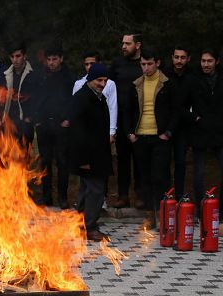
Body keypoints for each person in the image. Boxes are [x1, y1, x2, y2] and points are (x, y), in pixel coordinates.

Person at [123, 47, 178, 227]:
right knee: (144, 177)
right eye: (143, 64)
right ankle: (149, 214)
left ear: (158, 63)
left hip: (159, 137)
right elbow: (128, 111)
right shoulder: (136, 84)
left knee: (161, 176)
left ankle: (162, 212)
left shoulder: (167, 84)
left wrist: (167, 133)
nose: (145, 68)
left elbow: (175, 112)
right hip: (140, 137)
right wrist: (130, 133)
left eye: (149, 64)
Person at [186, 48, 223, 220]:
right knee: (198, 173)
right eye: (203, 61)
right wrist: (196, 118)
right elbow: (184, 104)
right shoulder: (193, 79)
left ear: (217, 62)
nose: (206, 64)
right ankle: (200, 210)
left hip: (221, 131)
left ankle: (222, 210)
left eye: (209, 61)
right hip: (200, 131)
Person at [70, 63, 113, 242]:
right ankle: (90, 227)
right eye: (99, 80)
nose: (102, 84)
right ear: (90, 79)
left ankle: (80, 225)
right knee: (95, 190)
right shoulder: (82, 99)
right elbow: (77, 132)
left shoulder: (99, 97)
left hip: (99, 153)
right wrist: (82, 158)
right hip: (88, 156)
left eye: (105, 80)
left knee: (87, 189)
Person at [34, 45, 74, 209]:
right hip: (43, 125)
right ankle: (46, 196)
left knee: (62, 162)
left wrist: (68, 119)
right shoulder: (41, 76)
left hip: (62, 125)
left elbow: (74, 100)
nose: (51, 63)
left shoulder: (69, 77)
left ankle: (63, 198)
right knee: (45, 162)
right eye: (49, 59)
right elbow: (34, 98)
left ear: (61, 59)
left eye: (54, 59)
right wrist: (37, 119)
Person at [110, 33, 144, 209]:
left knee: (139, 158)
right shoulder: (117, 64)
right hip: (121, 117)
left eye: (127, 43)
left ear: (137, 45)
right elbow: (108, 88)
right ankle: (123, 195)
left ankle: (140, 194)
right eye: (122, 43)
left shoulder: (144, 64)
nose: (123, 46)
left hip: (140, 118)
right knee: (122, 159)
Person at [164, 46, 196, 200]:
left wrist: (192, 116)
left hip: (183, 127)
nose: (179, 61)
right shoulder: (164, 74)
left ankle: (178, 195)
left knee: (180, 162)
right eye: (176, 57)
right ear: (172, 57)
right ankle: (166, 195)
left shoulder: (192, 76)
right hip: (166, 124)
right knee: (164, 161)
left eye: (183, 57)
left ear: (188, 59)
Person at [2, 41, 37, 150]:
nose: (15, 60)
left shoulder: (33, 75)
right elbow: (2, 98)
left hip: (26, 122)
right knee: (8, 154)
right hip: (10, 121)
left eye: (18, 56)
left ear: (24, 56)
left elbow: (37, 98)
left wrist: (30, 117)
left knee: (23, 155)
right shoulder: (6, 75)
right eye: (12, 57)